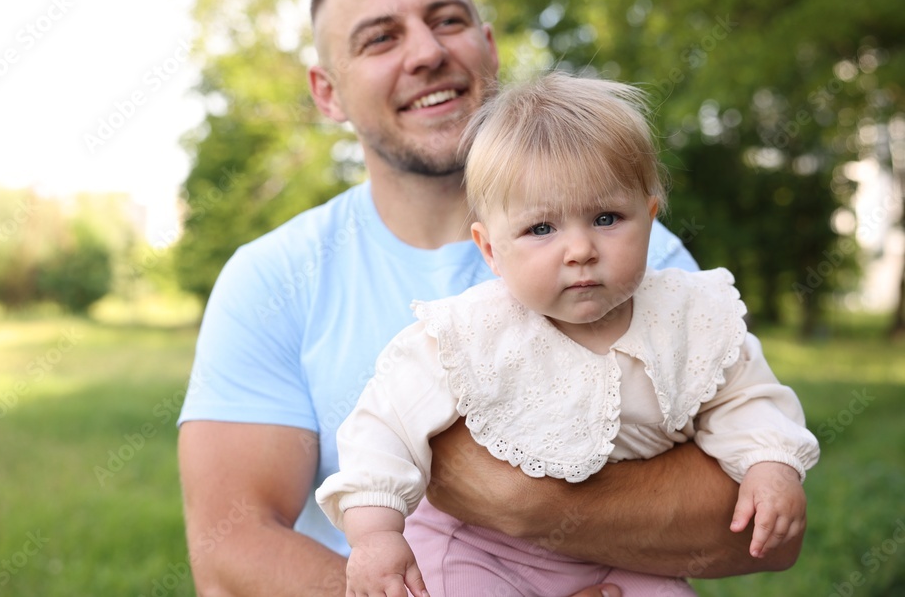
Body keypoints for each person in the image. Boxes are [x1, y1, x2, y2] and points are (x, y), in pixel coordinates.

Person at [176, 0, 808, 596]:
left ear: (489, 46)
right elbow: (230, 549)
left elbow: (761, 532)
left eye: (447, 20)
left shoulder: (644, 268)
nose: (427, 52)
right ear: (326, 92)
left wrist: (530, 503)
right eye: (380, 38)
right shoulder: (274, 278)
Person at [315, 73, 820, 597]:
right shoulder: (468, 334)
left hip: (620, 554)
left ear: (650, 217)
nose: (579, 249)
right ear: (490, 250)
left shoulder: (689, 316)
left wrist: (769, 462)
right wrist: (374, 532)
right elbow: (384, 424)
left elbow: (745, 397)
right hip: (479, 548)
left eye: (606, 217)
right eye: (541, 229)